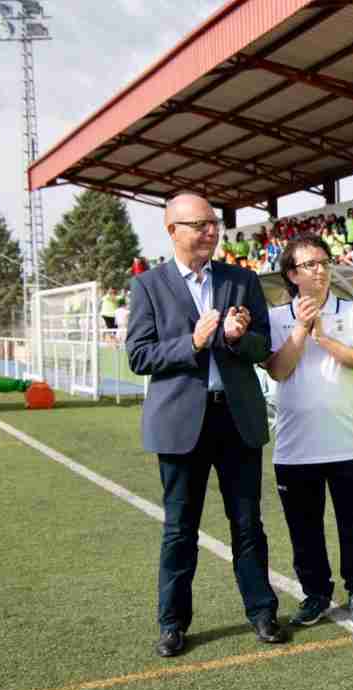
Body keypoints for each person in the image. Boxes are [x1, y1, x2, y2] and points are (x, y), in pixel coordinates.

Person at [126, 193, 285, 658]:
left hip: (236, 418)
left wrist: (237, 339)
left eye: (214, 224)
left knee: (247, 524)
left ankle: (262, 612)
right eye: (200, 225)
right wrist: (192, 342)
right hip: (180, 424)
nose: (211, 232)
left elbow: (263, 348)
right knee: (180, 528)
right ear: (172, 230)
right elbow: (139, 355)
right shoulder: (148, 286)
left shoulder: (241, 279)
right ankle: (172, 623)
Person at [264, 234, 353, 628]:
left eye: (323, 261)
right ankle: (315, 595)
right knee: (305, 532)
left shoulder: (352, 312)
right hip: (296, 450)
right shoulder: (276, 317)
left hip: (352, 443)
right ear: (292, 274)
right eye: (310, 264)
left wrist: (323, 337)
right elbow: (278, 369)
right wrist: (300, 328)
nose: (320, 269)